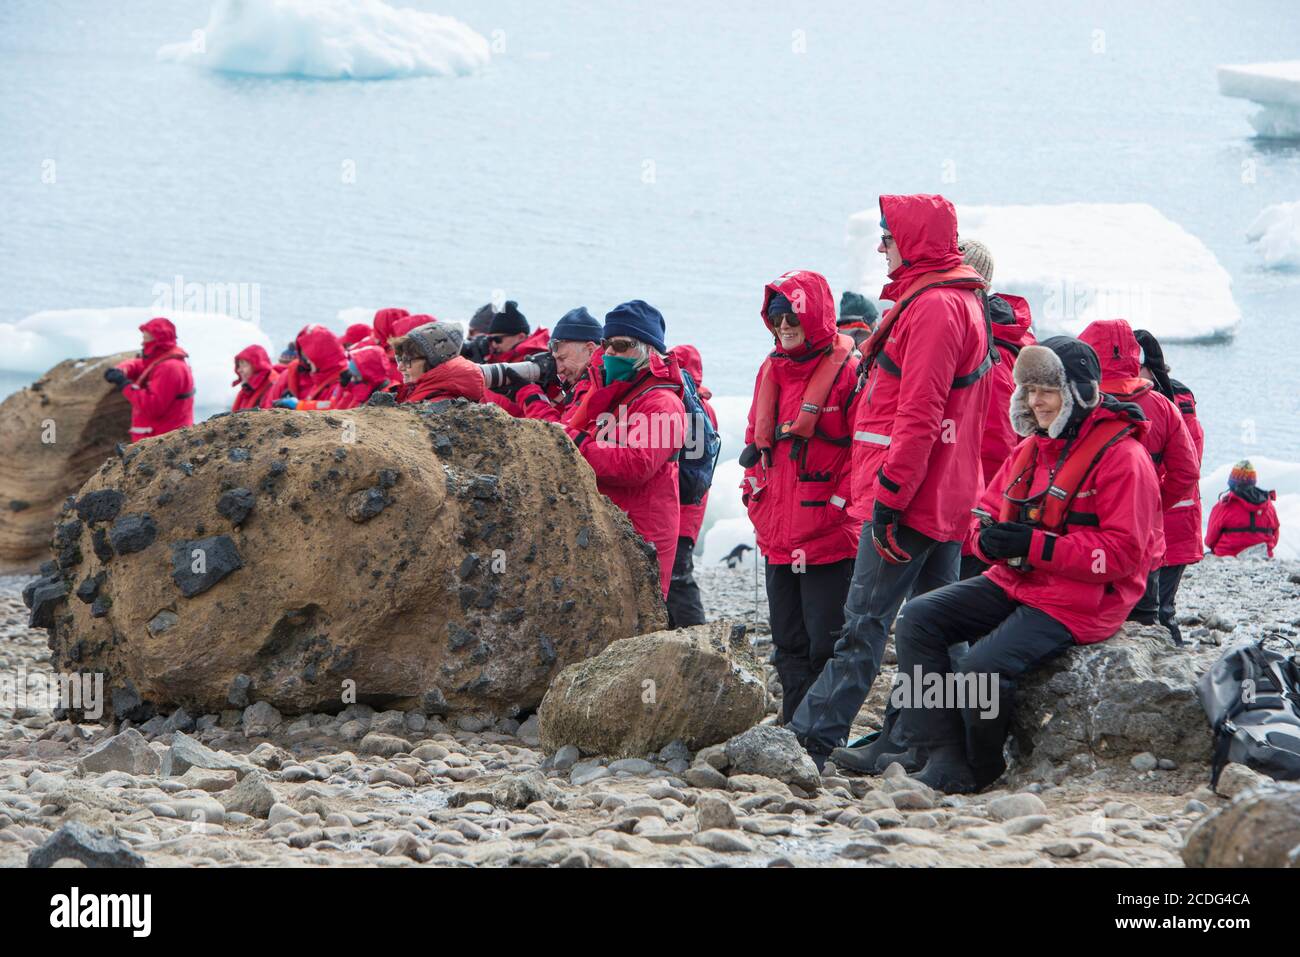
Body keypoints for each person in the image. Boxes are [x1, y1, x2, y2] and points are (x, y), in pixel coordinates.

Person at [889, 336, 1162, 792]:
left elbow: (1121, 554)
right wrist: (988, 541)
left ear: (1079, 393)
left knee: (980, 668)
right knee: (917, 619)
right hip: (1019, 580)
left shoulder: (1124, 458)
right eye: (1029, 390)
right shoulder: (1031, 450)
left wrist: (1034, 546)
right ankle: (941, 752)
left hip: (1081, 601)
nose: (1036, 402)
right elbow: (981, 514)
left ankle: (981, 767)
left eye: (1048, 391)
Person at [788, 194, 995, 771]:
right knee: (934, 629)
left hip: (910, 499)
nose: (881, 246)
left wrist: (889, 500)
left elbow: (920, 413)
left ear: (915, 239)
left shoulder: (932, 308)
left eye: (888, 235)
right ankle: (918, 743)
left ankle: (809, 741)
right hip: (948, 496)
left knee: (864, 624)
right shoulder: (961, 301)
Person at [742, 270, 860, 722]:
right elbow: (756, 441)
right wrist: (752, 493)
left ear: (814, 315)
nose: (784, 324)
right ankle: (794, 724)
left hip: (828, 538)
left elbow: (865, 450)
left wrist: (838, 506)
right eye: (776, 316)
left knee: (825, 642)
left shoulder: (848, 373)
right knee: (788, 639)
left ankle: (821, 733)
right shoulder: (770, 369)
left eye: (793, 314)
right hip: (778, 534)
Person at [1078, 319, 1198, 641]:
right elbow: (1187, 470)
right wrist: (1153, 503)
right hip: (1146, 543)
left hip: (1088, 538)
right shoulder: (1163, 405)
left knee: (1086, 623)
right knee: (1145, 624)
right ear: (1133, 355)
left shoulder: (1079, 404)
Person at [565, 301, 686, 597]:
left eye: (620, 345)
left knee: (635, 625)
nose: (609, 353)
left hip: (643, 536)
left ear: (647, 351)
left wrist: (577, 443)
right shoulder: (620, 397)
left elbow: (636, 465)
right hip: (613, 528)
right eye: (606, 344)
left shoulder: (662, 403)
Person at [956, 238, 1038, 580]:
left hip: (978, 501)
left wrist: (983, 510)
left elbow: (996, 438)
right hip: (987, 495)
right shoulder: (1007, 339)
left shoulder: (992, 349)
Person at [1133, 328, 1204, 642]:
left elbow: (1187, 467)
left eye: (1135, 366)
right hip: (1159, 522)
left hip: (1173, 521)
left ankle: (1173, 670)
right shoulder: (1172, 401)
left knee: (1160, 609)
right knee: (1145, 604)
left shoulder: (1175, 404)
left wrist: (1150, 502)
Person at [666, 343, 718, 629]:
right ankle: (681, 633)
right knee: (677, 576)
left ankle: (696, 634)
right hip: (692, 508)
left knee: (678, 578)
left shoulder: (687, 408)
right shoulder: (703, 408)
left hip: (681, 509)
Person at [104, 317, 195, 442]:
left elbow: (153, 407)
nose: (142, 343)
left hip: (162, 441)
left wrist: (125, 385)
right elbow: (139, 364)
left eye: (146, 339)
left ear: (157, 342)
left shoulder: (169, 368)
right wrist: (122, 370)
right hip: (158, 437)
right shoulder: (163, 359)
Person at [516, 308, 604, 424]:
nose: (559, 369)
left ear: (590, 350)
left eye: (563, 358)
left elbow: (561, 437)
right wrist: (549, 390)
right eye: (556, 360)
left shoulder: (595, 386)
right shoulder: (579, 383)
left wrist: (531, 397)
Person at [483, 302, 556, 416]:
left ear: (521, 336)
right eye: (490, 340)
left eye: (497, 339)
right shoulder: (501, 357)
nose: (494, 345)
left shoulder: (538, 363)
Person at [392, 322, 486, 404]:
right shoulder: (414, 391)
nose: (399, 367)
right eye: (399, 358)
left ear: (433, 363)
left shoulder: (437, 406)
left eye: (407, 360)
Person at [1206, 461, 1280, 558]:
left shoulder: (1224, 506)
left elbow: (1210, 541)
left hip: (1226, 556)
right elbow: (1275, 534)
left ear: (1232, 482)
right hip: (1262, 557)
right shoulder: (1268, 506)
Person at [272, 324, 350, 411]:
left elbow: (335, 407)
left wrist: (299, 405)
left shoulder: (342, 380)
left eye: (309, 355)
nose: (307, 361)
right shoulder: (322, 377)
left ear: (320, 355)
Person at [231, 344, 275, 411]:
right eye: (239, 366)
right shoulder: (247, 390)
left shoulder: (272, 387)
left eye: (244, 365)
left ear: (258, 367)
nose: (239, 370)